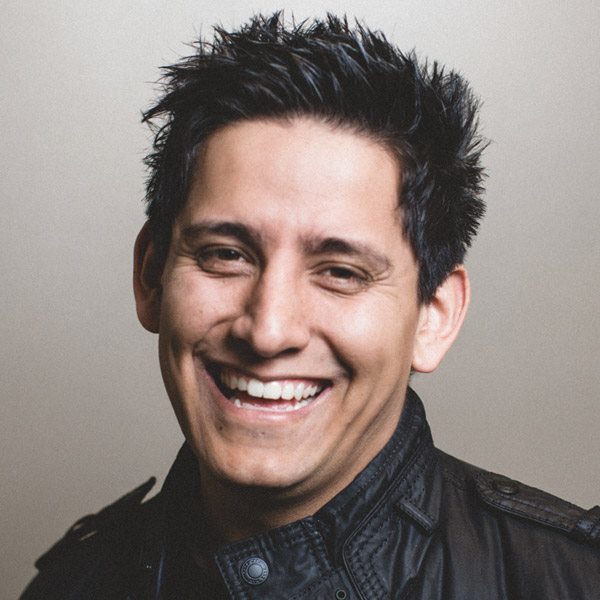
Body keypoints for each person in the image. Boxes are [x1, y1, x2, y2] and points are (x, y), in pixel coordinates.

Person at [20, 12, 599, 600]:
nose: (268, 331)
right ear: (151, 276)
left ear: (434, 316)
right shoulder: (68, 587)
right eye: (226, 255)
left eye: (341, 272)